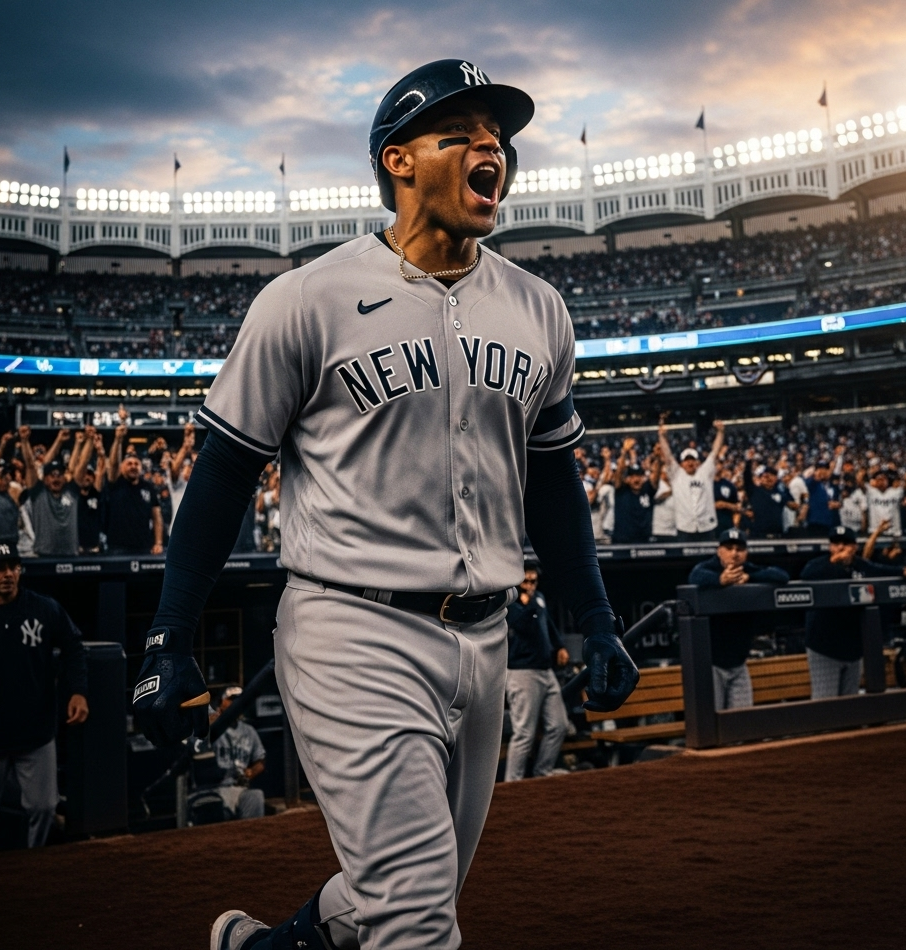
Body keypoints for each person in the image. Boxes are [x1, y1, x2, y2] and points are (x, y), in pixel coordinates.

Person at [130, 59, 638, 950]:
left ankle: (261, 948)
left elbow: (553, 481)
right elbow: (220, 475)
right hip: (350, 629)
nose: (493, 148)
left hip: (485, 635)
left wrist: (592, 617)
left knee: (399, 892)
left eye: (500, 137)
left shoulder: (539, 308)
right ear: (398, 161)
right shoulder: (304, 300)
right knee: (416, 917)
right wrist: (170, 635)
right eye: (464, 133)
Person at [0, 542, 88, 850]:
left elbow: (73, 646)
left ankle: (36, 867)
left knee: (45, 808)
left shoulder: (43, 608)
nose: (8, 574)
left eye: (13, 567)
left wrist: (78, 692)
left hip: (35, 729)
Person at [799, 525, 906, 699]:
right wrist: (834, 562)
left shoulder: (861, 566)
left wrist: (905, 570)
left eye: (846, 543)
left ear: (855, 547)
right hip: (824, 648)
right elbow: (806, 574)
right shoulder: (819, 565)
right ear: (829, 547)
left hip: (853, 649)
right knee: (824, 703)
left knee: (850, 702)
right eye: (835, 543)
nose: (840, 547)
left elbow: (882, 571)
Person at [687, 529, 789, 708]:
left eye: (739, 549)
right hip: (712, 665)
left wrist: (751, 577)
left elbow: (782, 575)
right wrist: (719, 580)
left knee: (741, 722)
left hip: (739, 664)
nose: (734, 553)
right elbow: (694, 576)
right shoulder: (708, 568)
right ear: (719, 551)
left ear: (746, 553)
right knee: (711, 720)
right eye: (729, 548)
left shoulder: (747, 569)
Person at [503, 567, 570, 781]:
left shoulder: (538, 599)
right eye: (527, 582)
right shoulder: (510, 602)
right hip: (522, 673)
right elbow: (522, 625)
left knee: (559, 725)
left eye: (534, 581)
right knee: (524, 734)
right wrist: (528, 602)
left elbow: (547, 623)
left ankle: (542, 772)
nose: (531, 586)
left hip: (545, 670)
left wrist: (559, 645)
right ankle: (513, 783)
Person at [658, 420, 725, 541]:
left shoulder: (705, 472)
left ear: (697, 462)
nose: (690, 462)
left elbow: (715, 452)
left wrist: (720, 432)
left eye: (693, 460)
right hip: (685, 526)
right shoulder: (677, 474)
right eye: (686, 460)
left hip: (706, 525)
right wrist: (662, 437)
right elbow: (667, 456)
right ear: (682, 463)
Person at [208, 686, 266, 819]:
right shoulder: (211, 726)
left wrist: (250, 773)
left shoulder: (249, 731)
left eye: (239, 700)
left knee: (255, 796)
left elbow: (260, 761)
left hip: (238, 788)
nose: (235, 704)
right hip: (214, 788)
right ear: (221, 703)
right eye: (231, 700)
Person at [104, 429, 164, 555]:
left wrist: (158, 543)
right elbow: (113, 464)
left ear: (141, 467)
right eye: (129, 464)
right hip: (117, 547)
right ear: (122, 467)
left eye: (136, 464)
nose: (133, 466)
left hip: (143, 546)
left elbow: (157, 517)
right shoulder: (116, 483)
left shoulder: (148, 487)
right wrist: (118, 440)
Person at [611, 438, 661, 543]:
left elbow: (656, 476)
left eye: (639, 476)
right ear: (627, 479)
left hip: (644, 541)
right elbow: (619, 474)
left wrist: (658, 457)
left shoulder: (648, 489)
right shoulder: (621, 490)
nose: (636, 479)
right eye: (632, 476)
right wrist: (624, 452)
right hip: (622, 541)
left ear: (644, 478)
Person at [866, 470, 903, 538]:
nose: (881, 481)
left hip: (894, 532)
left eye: (884, 479)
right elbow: (859, 481)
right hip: (875, 532)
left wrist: (898, 481)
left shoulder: (895, 491)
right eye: (879, 479)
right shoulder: (871, 491)